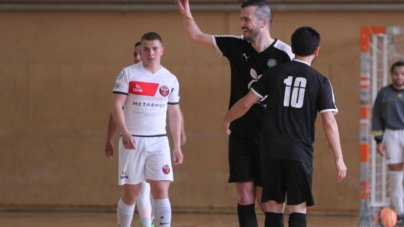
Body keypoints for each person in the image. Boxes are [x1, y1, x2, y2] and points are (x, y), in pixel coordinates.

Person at [176, 0, 293, 226]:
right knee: (244, 196)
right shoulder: (235, 45)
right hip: (240, 133)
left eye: (246, 19)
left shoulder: (284, 54)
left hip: (271, 137)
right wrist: (187, 15)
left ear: (264, 22)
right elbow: (196, 37)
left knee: (265, 201)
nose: (241, 24)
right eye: (241, 19)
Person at [221, 26, 347, 227]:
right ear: (317, 51)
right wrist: (339, 159)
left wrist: (227, 119)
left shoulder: (273, 74)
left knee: (273, 206)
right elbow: (329, 122)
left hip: (270, 151)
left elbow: (246, 103)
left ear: (293, 48)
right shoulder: (321, 81)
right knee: (297, 208)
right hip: (299, 152)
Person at [105, 41, 187, 227]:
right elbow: (116, 105)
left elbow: (174, 112)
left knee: (160, 189)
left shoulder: (170, 78)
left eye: (155, 49)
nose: (151, 53)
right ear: (141, 52)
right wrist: (124, 133)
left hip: (158, 141)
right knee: (132, 193)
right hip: (132, 141)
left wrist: (177, 146)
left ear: (162, 51)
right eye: (147, 49)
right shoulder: (128, 73)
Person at [372, 61, 404, 225]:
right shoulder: (384, 94)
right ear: (392, 75)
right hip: (391, 135)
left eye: (402, 73)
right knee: (396, 177)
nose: (399, 76)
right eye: (396, 73)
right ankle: (400, 213)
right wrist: (379, 140)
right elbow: (376, 117)